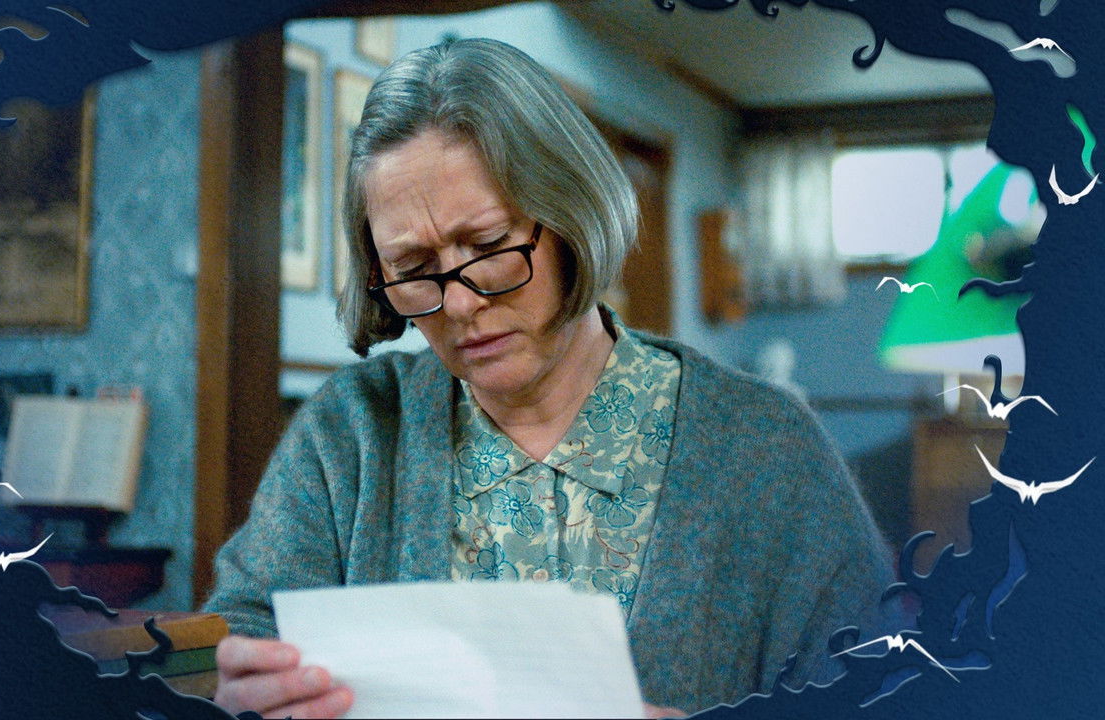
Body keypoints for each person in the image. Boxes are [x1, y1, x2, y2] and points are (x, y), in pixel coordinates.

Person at [205, 37, 895, 719]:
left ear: (570, 217)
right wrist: (243, 691)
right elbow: (248, 628)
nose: (460, 304)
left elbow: (882, 692)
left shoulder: (766, 448)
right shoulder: (351, 434)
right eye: (414, 269)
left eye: (488, 246)